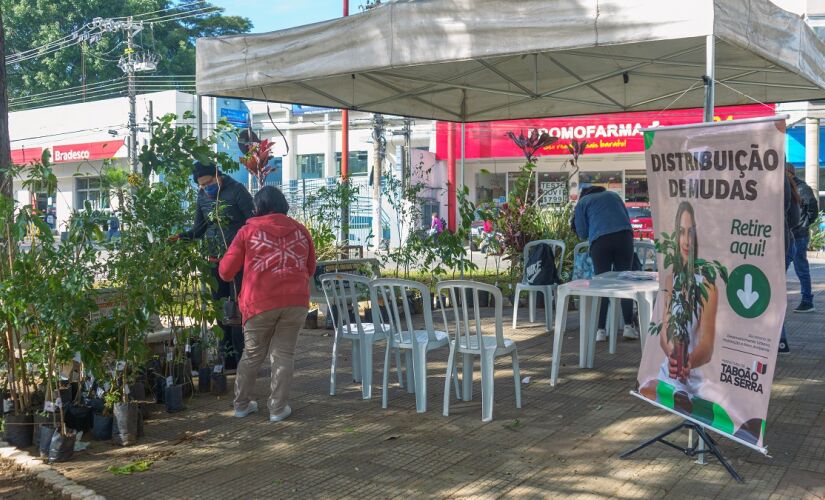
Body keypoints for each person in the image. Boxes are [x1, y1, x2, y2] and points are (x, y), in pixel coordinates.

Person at [218, 186, 316, 422]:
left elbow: (225, 271)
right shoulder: (301, 231)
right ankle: (278, 409)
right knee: (284, 354)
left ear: (258, 207)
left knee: (252, 354)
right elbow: (310, 268)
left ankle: (242, 405)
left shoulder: (247, 232)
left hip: (259, 302)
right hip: (296, 301)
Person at [173, 161, 254, 369]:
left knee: (237, 311)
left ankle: (241, 362)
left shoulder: (237, 191)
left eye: (208, 182)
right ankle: (226, 361)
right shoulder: (202, 196)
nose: (206, 188)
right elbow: (199, 229)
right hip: (213, 261)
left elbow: (253, 224)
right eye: (201, 185)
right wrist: (181, 237)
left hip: (237, 261)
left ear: (218, 175)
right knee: (220, 311)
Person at [657, 202, 719, 397]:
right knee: (648, 387)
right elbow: (664, 330)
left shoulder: (707, 286)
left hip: (695, 380)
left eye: (691, 233)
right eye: (681, 232)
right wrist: (671, 355)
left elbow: (707, 346)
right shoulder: (670, 279)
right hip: (670, 373)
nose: (686, 241)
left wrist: (689, 361)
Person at [573, 186, 638, 341]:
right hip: (624, 237)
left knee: (601, 284)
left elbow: (582, 233)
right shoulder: (613, 195)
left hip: (600, 242)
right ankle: (629, 326)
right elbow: (625, 218)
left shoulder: (582, 202)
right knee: (625, 282)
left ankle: (600, 330)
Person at [787, 164, 819, 313]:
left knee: (801, 269)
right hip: (790, 234)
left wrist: (803, 224)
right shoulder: (788, 187)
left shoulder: (803, 188)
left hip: (799, 235)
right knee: (782, 269)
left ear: (789, 172)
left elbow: (813, 210)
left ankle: (807, 300)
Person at [780, 170, 802, 354]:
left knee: (770, 296)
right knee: (773, 294)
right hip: (787, 243)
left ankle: (780, 340)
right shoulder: (788, 182)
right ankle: (781, 341)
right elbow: (795, 219)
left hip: (776, 247)